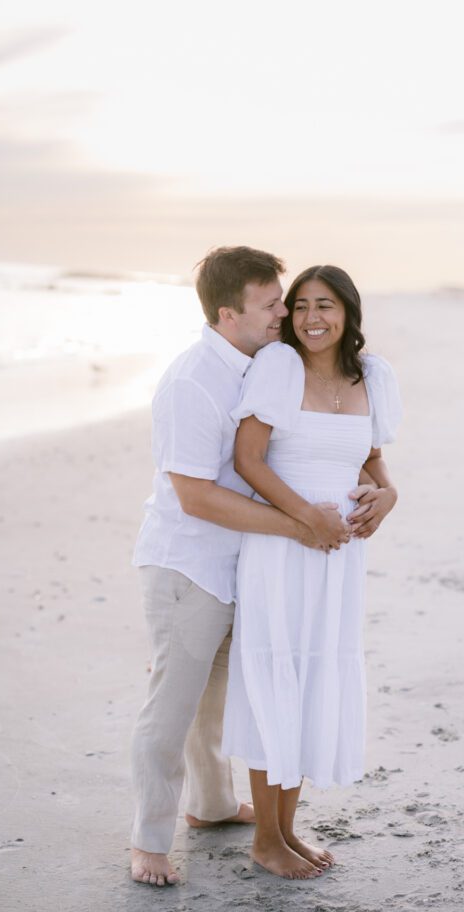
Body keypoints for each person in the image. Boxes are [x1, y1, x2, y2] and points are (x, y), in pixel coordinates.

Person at [129, 247, 380, 887]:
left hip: (245, 564)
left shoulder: (257, 364)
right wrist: (301, 525)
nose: (283, 315)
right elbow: (196, 495)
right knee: (173, 707)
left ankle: (210, 808)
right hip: (189, 567)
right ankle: (149, 841)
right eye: (272, 305)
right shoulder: (192, 382)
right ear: (227, 312)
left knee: (217, 703)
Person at [222, 264, 402, 880]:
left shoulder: (372, 376)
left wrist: (390, 494)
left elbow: (371, 458)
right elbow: (249, 460)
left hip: (341, 558)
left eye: (324, 305)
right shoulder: (278, 366)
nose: (310, 319)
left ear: (348, 312)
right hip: (282, 551)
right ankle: (265, 839)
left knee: (314, 678)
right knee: (277, 677)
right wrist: (306, 519)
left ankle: (289, 829)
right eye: (299, 306)